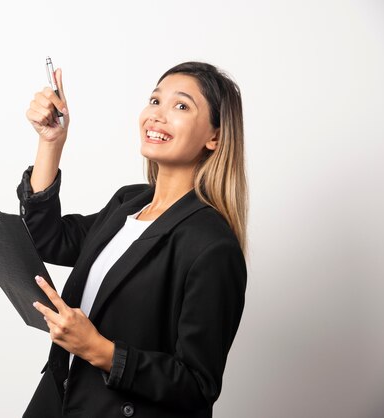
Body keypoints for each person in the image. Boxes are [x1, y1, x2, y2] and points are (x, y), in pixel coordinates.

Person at [16, 61, 247, 418]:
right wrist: (51, 142)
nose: (157, 115)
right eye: (155, 101)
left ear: (214, 137)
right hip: (57, 400)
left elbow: (197, 387)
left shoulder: (212, 246)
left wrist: (98, 349)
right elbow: (49, 240)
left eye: (181, 106)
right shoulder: (129, 202)